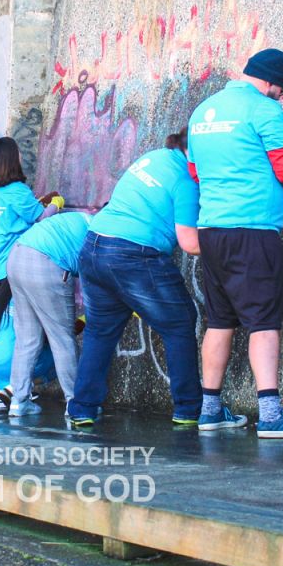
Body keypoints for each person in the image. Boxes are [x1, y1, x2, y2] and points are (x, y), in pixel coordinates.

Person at [187, 48, 283, 439]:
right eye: (282, 90)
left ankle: (210, 410)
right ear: (270, 83)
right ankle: (270, 413)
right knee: (263, 321)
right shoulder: (264, 111)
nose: (282, 97)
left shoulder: (202, 112)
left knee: (219, 321)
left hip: (211, 231)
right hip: (253, 229)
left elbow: (195, 172)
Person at [67, 131, 202, 427]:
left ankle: (82, 409)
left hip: (95, 246)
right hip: (134, 255)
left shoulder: (152, 158)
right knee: (179, 322)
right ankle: (189, 410)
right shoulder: (185, 180)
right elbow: (190, 242)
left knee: (100, 332)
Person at [0, 136, 59, 406]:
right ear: (11, 161)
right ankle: (18, 387)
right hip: (14, 273)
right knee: (24, 333)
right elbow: (40, 218)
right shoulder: (17, 191)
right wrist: (55, 205)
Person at [5, 210, 91, 416]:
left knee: (26, 339)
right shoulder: (98, 234)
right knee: (62, 339)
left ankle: (18, 400)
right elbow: (92, 280)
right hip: (45, 263)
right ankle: (75, 403)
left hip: (16, 257)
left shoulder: (79, 219)